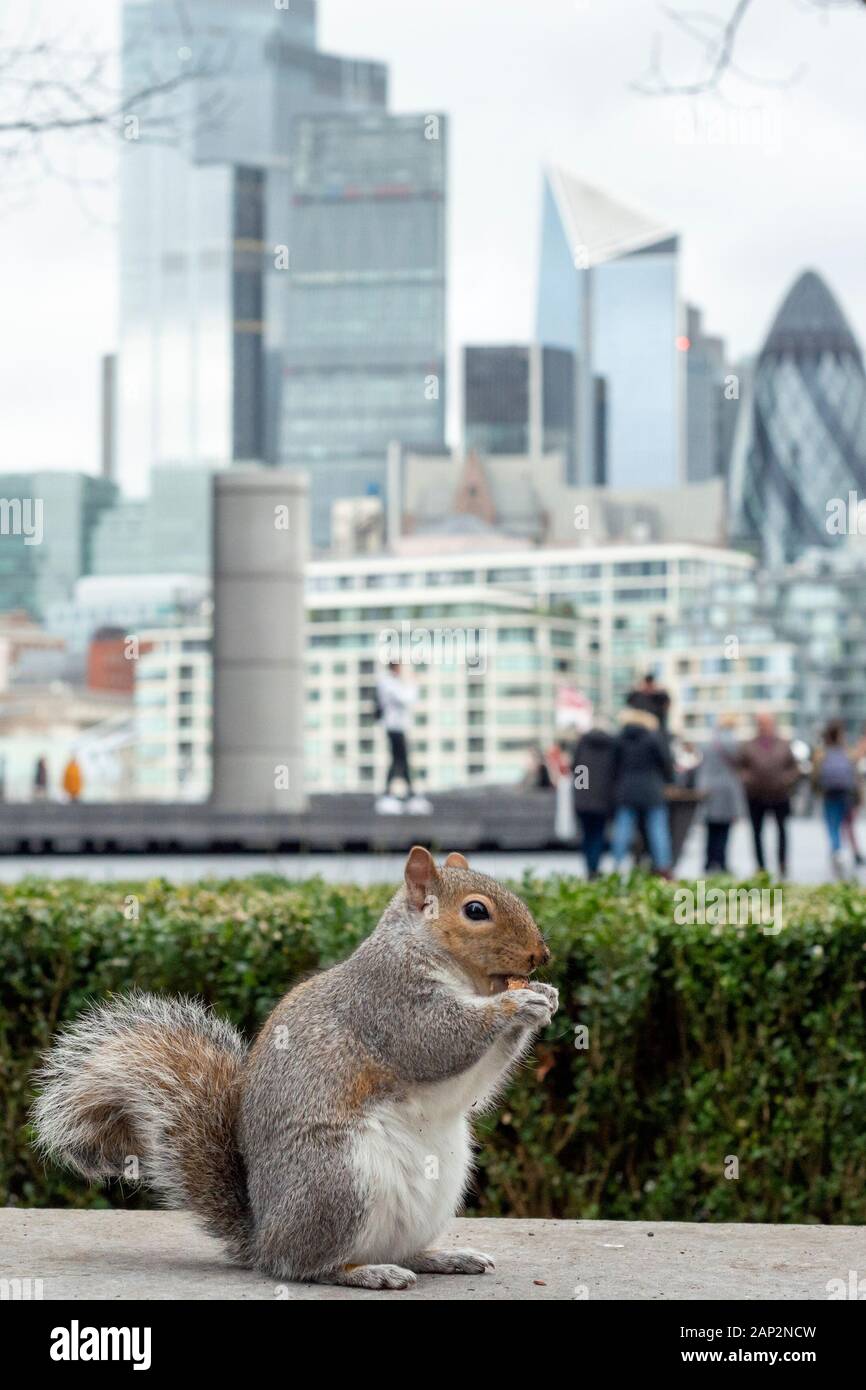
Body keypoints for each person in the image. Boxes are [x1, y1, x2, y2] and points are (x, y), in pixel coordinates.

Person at [610, 706, 675, 876]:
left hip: (626, 789)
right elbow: (666, 763)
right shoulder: (654, 738)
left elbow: (613, 767)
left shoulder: (619, 739)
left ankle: (617, 866)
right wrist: (669, 780)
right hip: (651, 788)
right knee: (658, 830)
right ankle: (663, 868)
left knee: (622, 830)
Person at [736, 712, 799, 877]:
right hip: (756, 796)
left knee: (782, 830)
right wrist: (748, 779)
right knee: (757, 832)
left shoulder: (784, 744)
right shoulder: (748, 745)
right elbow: (740, 767)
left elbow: (794, 767)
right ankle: (761, 866)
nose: (764, 727)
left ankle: (782, 863)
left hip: (780, 795)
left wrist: (786, 780)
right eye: (761, 723)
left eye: (767, 723)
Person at [375, 662, 431, 814]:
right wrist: (414, 683)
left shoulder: (391, 683)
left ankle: (409, 793)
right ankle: (397, 793)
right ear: (394, 668)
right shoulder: (388, 683)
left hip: (397, 727)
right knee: (399, 760)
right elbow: (406, 699)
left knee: (401, 760)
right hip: (394, 727)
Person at [696, 714, 744, 873]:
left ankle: (709, 861)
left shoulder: (709, 742)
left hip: (708, 788)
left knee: (710, 828)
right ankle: (721, 861)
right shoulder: (733, 742)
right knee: (724, 828)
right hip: (726, 789)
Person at [812, 720, 857, 877]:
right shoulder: (847, 751)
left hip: (829, 793)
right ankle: (843, 851)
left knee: (832, 824)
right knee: (844, 823)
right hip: (845, 793)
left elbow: (815, 775)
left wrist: (816, 790)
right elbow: (854, 774)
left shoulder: (822, 753)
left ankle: (836, 850)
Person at [572, 724, 616, 878]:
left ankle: (590, 868)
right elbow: (614, 774)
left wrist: (580, 794)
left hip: (584, 800)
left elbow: (577, 770)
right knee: (598, 835)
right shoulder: (612, 745)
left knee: (587, 835)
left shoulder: (582, 744)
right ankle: (595, 868)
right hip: (603, 800)